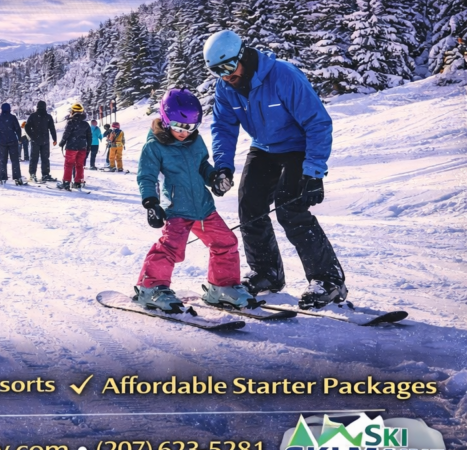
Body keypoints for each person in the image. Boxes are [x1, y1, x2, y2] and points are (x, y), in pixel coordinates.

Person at [205, 29, 346, 309]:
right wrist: (223, 167)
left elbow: (318, 122)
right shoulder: (225, 88)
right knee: (249, 205)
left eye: (228, 66)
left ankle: (328, 280)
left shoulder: (283, 75)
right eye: (216, 71)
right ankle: (266, 272)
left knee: (290, 208)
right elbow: (223, 127)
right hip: (264, 147)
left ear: (242, 55)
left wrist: (314, 171)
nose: (225, 75)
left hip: (297, 146)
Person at [132, 89, 257, 312]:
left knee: (226, 243)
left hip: (204, 207)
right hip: (177, 209)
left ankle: (222, 286)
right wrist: (151, 203)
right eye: (179, 127)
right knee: (170, 248)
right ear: (166, 120)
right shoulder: (154, 146)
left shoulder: (195, 141)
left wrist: (214, 178)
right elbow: (146, 176)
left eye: (190, 127)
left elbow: (202, 166)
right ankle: (151, 288)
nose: (184, 133)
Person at [58, 103, 91, 190]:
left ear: (72, 112)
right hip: (82, 147)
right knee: (79, 165)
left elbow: (66, 134)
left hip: (71, 147)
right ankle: (78, 182)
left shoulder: (71, 123)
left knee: (68, 165)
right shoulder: (86, 124)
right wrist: (88, 147)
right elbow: (89, 136)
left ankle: (66, 183)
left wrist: (62, 143)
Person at [0, 103, 26, 185]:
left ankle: (2, 178)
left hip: (2, 142)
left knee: (3, 160)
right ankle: (17, 178)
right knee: (15, 160)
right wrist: (19, 138)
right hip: (13, 141)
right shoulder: (13, 118)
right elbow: (18, 129)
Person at [24, 100, 57, 183]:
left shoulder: (33, 116)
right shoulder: (48, 117)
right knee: (45, 158)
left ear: (37, 107)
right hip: (45, 140)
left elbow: (27, 127)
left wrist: (31, 136)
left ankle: (32, 174)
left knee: (34, 158)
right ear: (45, 107)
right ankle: (45, 174)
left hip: (35, 140)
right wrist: (54, 139)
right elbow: (52, 129)